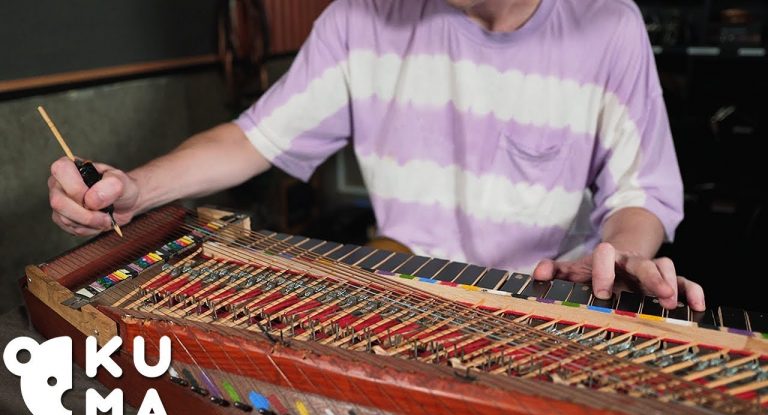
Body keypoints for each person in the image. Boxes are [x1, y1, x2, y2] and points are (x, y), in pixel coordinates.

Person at [47, 0, 705, 311]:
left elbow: (639, 195)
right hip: (394, 303)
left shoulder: (608, 24)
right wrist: (136, 188)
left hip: (539, 312)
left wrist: (619, 254)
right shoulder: (360, 19)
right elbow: (251, 139)